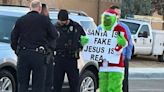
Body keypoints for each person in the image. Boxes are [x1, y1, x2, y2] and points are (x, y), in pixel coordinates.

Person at [10, 0, 58, 92]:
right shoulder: (45, 20)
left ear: (30, 8)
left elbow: (13, 38)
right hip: (39, 55)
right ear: (40, 8)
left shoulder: (21, 20)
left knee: (22, 84)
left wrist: (17, 50)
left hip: (23, 54)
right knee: (38, 85)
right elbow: (54, 35)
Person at [53, 9, 88, 92]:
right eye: (60, 21)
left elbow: (84, 38)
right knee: (56, 84)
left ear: (67, 20)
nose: (61, 23)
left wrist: (80, 45)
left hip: (71, 59)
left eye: (63, 21)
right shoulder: (55, 27)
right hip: (59, 58)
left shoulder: (76, 26)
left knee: (74, 84)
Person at [97, 9, 129, 92]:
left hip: (116, 66)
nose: (106, 21)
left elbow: (125, 43)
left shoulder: (120, 29)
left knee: (114, 89)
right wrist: (86, 41)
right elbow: (94, 41)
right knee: (103, 89)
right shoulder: (100, 29)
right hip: (103, 65)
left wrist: (121, 43)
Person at [110, 5, 133, 92]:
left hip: (122, 60)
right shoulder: (102, 27)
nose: (118, 16)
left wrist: (127, 57)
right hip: (108, 60)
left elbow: (129, 43)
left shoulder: (124, 27)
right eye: (116, 14)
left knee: (123, 83)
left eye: (119, 14)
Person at [41, 3, 55, 92]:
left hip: (46, 56)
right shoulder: (47, 23)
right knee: (46, 83)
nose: (47, 12)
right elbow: (54, 36)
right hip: (46, 56)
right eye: (46, 10)